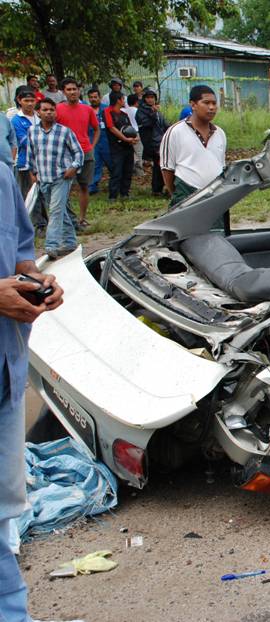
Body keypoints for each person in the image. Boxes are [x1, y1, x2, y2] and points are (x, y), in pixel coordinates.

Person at [0, 159, 64, 622]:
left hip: (7, 371)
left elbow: (21, 251)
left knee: (3, 512)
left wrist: (38, 281)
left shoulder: (1, 174)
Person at [27, 98, 84, 258]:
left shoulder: (64, 131)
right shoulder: (32, 131)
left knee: (55, 210)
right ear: (38, 112)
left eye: (52, 110)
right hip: (44, 178)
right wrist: (33, 173)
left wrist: (73, 167)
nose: (49, 113)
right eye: (45, 110)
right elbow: (31, 153)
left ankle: (51, 245)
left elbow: (78, 152)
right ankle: (70, 242)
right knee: (60, 211)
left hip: (61, 177)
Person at [160, 85, 227, 207]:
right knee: (188, 226)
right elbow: (167, 169)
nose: (212, 107)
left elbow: (221, 166)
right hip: (186, 194)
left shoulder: (220, 133)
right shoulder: (175, 131)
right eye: (206, 103)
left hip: (216, 195)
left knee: (218, 227)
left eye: (214, 103)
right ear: (193, 105)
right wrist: (177, 195)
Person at [55, 77, 99, 229]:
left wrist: (92, 145)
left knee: (84, 186)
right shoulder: (57, 109)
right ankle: (67, 220)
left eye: (75, 89)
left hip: (85, 152)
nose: (72, 92)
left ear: (79, 91)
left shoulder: (87, 109)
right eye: (69, 89)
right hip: (65, 155)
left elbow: (96, 128)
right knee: (64, 189)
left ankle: (82, 218)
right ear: (63, 92)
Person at [10, 87, 44, 230]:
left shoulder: (39, 117)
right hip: (25, 164)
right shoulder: (16, 120)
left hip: (43, 162)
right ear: (19, 101)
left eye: (32, 100)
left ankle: (44, 222)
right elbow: (23, 141)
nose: (30, 104)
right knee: (29, 195)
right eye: (26, 101)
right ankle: (34, 224)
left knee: (42, 194)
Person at [103, 92, 137, 201]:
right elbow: (111, 127)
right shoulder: (108, 111)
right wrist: (125, 139)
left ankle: (125, 193)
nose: (124, 101)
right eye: (123, 98)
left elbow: (130, 129)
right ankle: (113, 196)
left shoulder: (124, 114)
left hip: (128, 147)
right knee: (117, 171)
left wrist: (133, 138)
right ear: (118, 100)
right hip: (116, 147)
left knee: (128, 170)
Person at [136, 89, 168, 196]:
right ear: (144, 99)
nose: (150, 100)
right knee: (159, 166)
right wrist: (153, 113)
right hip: (152, 143)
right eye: (148, 97)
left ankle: (161, 188)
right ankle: (157, 189)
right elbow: (147, 124)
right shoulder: (141, 111)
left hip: (162, 141)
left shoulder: (157, 111)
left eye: (152, 97)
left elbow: (164, 124)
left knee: (162, 166)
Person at [87, 87, 113, 196]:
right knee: (95, 164)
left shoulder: (107, 109)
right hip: (92, 140)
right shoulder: (86, 110)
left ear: (100, 97)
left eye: (95, 97)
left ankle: (115, 184)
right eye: (91, 97)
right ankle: (92, 187)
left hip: (106, 139)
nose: (93, 99)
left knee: (112, 163)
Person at [126, 93, 144, 176]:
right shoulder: (137, 111)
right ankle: (139, 173)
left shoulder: (124, 110)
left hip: (127, 133)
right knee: (139, 153)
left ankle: (131, 171)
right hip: (136, 133)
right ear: (136, 102)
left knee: (131, 152)